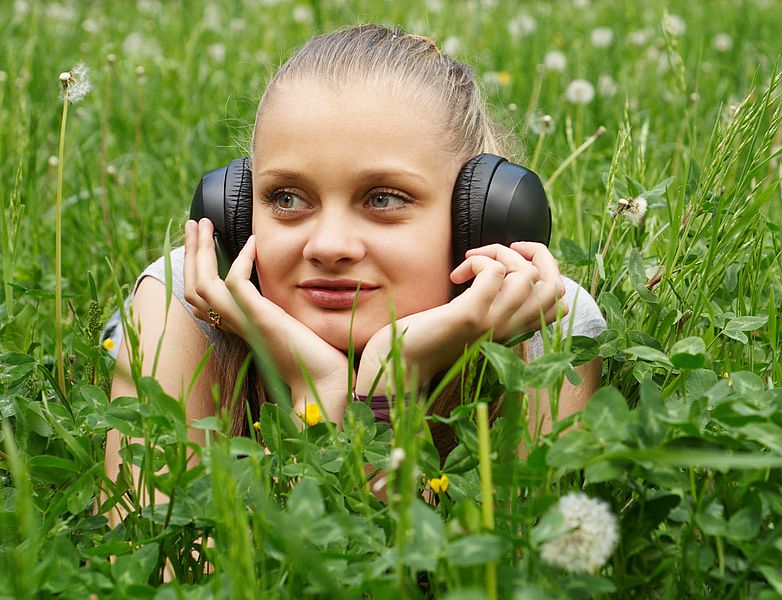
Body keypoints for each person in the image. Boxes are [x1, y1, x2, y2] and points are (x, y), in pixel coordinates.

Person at [102, 24, 606, 525]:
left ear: (481, 220)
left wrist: (389, 386)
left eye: (383, 199)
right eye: (287, 199)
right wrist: (316, 389)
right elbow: (159, 570)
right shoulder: (185, 303)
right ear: (234, 210)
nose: (329, 246)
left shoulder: (550, 328)